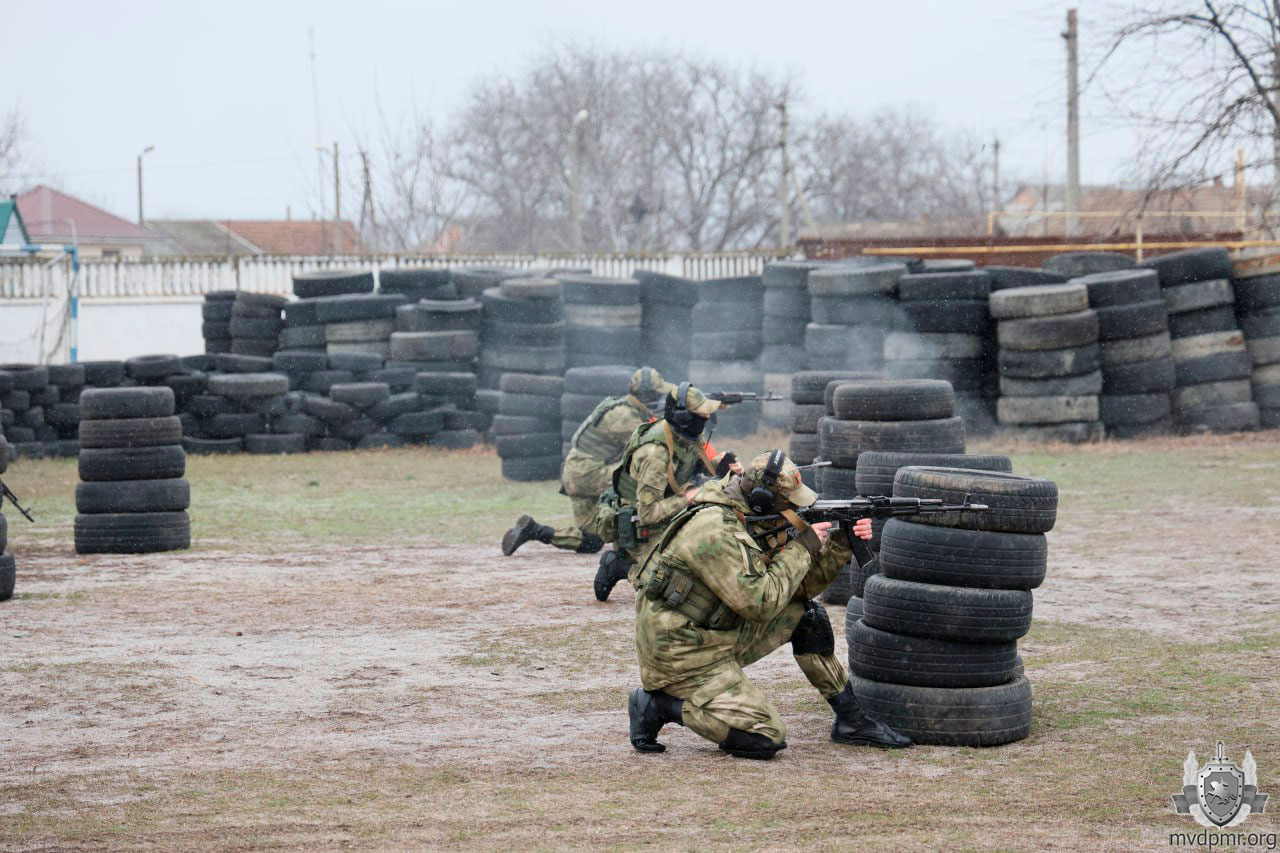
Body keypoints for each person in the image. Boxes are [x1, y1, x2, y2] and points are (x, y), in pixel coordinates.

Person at [627, 449, 912, 758]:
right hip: (680, 653)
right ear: (762, 497)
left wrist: (841, 543)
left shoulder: (749, 514)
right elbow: (760, 602)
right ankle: (658, 705)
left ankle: (852, 721)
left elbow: (799, 589)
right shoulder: (714, 529)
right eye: (788, 503)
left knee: (807, 616)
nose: (794, 510)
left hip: (716, 633)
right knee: (765, 736)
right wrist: (803, 547)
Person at [501, 367, 675, 560]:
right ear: (646, 393)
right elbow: (654, 443)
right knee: (643, 476)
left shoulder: (625, 407)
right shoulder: (624, 415)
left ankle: (534, 530)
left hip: (579, 473)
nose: (659, 398)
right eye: (656, 393)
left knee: (592, 540)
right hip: (588, 473)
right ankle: (632, 543)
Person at [598, 382, 740, 602]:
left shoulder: (687, 435)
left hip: (671, 513)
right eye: (700, 415)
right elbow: (648, 513)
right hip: (643, 527)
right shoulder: (655, 453)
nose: (705, 419)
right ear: (683, 417)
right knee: (667, 589)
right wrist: (688, 498)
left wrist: (724, 465)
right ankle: (621, 564)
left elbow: (698, 462)